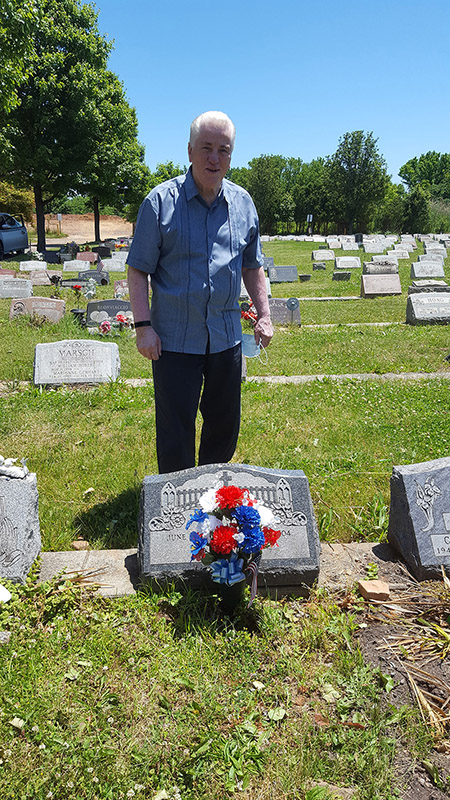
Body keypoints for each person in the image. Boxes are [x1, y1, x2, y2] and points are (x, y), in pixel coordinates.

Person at [127, 110, 273, 474]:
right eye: (206, 148)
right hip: (174, 339)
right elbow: (137, 269)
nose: (214, 158)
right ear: (189, 151)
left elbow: (252, 266)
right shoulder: (160, 203)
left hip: (226, 337)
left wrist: (264, 314)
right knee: (176, 429)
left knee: (225, 424)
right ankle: (175, 501)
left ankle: (210, 492)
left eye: (223, 150)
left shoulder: (244, 204)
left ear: (231, 155)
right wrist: (142, 326)